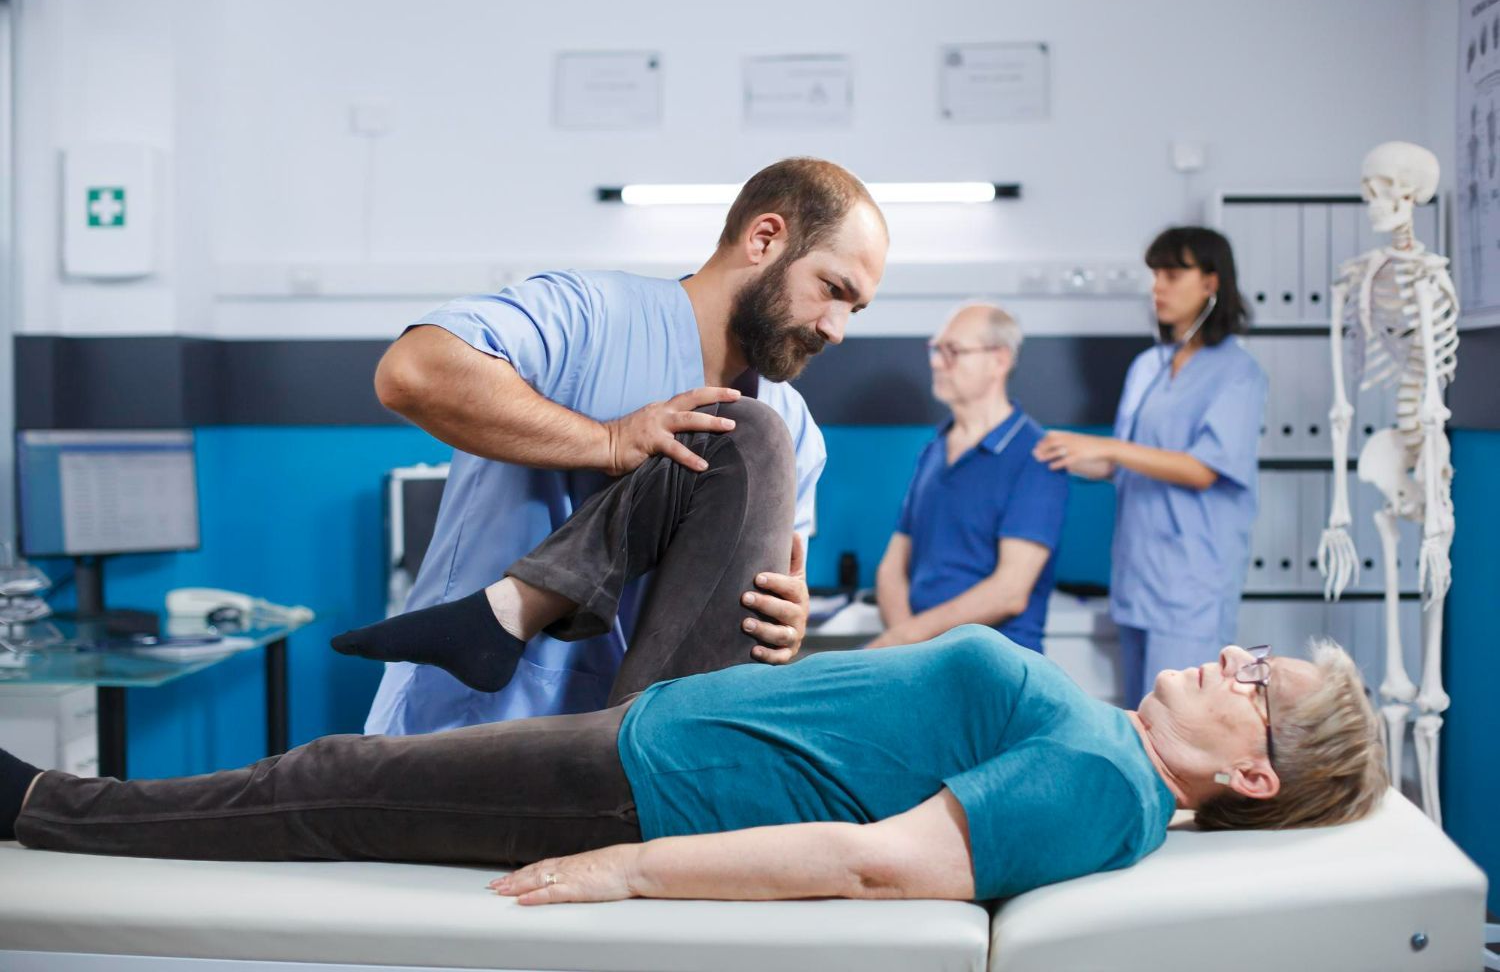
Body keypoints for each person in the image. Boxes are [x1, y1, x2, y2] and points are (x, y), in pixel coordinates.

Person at [4, 399, 1386, 906]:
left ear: (1254, 778)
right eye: (1252, 656)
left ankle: (48, 810)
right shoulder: (1112, 749)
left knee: (338, 773)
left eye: (1259, 687)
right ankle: (507, 616)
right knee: (748, 437)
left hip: (651, 777)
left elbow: (877, 861)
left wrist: (635, 871)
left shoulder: (1107, 788)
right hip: (704, 710)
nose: (1231, 663)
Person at [363, 157, 889, 734]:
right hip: (464, 722)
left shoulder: (793, 433)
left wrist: (785, 622)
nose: (836, 329)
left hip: (622, 753)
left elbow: (780, 585)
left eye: (854, 310)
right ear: (764, 238)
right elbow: (410, 373)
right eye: (832, 290)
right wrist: (607, 441)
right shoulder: (588, 315)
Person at [1032, 227, 1268, 708]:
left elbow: (1204, 469)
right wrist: (1072, 459)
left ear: (1210, 282)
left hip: (1191, 585)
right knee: (1139, 720)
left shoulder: (1239, 373)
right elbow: (1129, 465)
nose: (1157, 286)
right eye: (1155, 274)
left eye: (1173, 274)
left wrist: (1111, 449)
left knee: (1183, 724)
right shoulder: (1148, 366)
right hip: (1137, 578)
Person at [871, 304, 1067, 652]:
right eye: (936, 349)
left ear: (999, 360)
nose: (936, 362)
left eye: (953, 351)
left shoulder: (1036, 455)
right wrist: (905, 650)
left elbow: (1009, 592)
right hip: (924, 656)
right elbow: (892, 567)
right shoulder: (934, 450)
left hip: (991, 664)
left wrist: (905, 639)